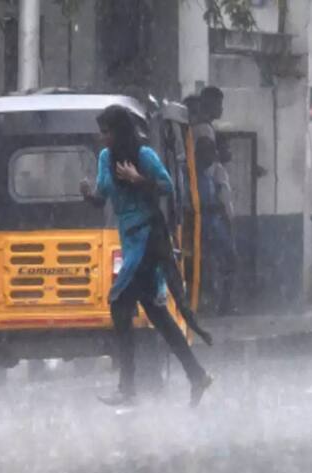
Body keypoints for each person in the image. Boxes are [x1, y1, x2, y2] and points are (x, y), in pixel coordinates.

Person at [80, 105, 213, 407]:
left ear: (120, 132)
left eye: (107, 132)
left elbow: (166, 187)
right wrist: (87, 194)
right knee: (158, 315)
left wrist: (139, 178)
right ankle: (197, 375)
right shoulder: (105, 159)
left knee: (118, 303)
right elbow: (102, 197)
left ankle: (128, 387)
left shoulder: (144, 156)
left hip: (148, 239)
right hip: (130, 240)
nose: (103, 138)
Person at [196, 136, 237, 315]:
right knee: (212, 267)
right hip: (206, 229)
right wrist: (216, 208)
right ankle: (215, 305)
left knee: (226, 264)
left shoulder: (206, 175)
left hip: (215, 228)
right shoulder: (195, 175)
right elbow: (196, 205)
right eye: (209, 152)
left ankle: (222, 304)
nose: (212, 156)